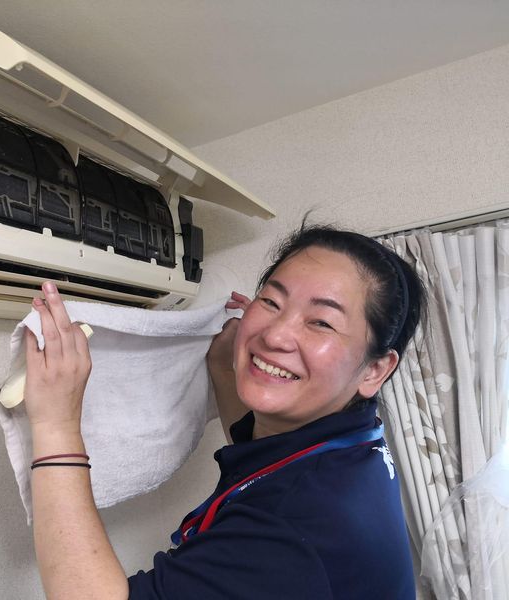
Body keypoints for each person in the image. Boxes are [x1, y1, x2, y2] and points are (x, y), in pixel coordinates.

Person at [23, 224, 426, 599]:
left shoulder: (295, 527)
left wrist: (56, 425)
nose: (275, 333)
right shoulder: (347, 444)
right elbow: (268, 460)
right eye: (272, 301)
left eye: (320, 322)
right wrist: (223, 365)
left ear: (375, 369)